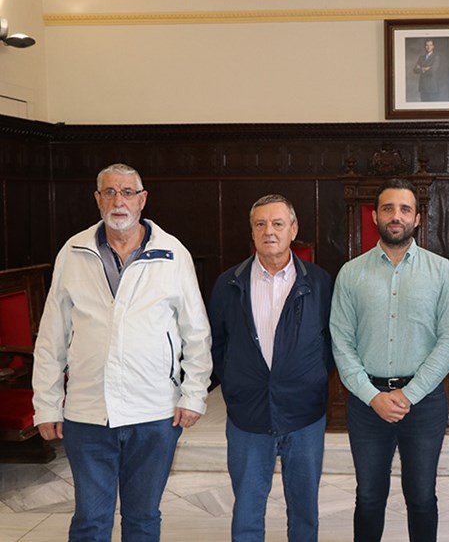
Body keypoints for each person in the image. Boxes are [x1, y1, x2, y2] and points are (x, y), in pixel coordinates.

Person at [31, 163, 212, 542]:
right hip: (87, 413)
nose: (119, 201)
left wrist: (194, 394)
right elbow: (51, 336)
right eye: (110, 192)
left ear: (143, 199)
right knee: (90, 520)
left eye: (128, 192)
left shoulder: (172, 252)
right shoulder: (73, 252)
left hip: (155, 413)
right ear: (97, 199)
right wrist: (46, 404)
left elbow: (196, 331)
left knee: (143, 518)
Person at [330, 178, 449, 542]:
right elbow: (341, 342)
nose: (396, 216)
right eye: (388, 208)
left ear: (417, 218)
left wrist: (410, 394)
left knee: (421, 498)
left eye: (405, 209)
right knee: (369, 497)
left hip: (424, 404)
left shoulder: (442, 271)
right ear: (374, 216)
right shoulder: (351, 273)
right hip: (366, 403)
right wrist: (372, 396)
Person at [208, 194, 333, 542]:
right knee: (247, 511)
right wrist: (238, 381)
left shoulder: (320, 282)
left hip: (305, 415)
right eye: (260, 224)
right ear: (251, 231)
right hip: (248, 415)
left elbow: (331, 342)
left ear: (293, 229)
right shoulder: (228, 283)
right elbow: (217, 343)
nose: (269, 232)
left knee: (304, 511)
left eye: (278, 224)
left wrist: (308, 377)